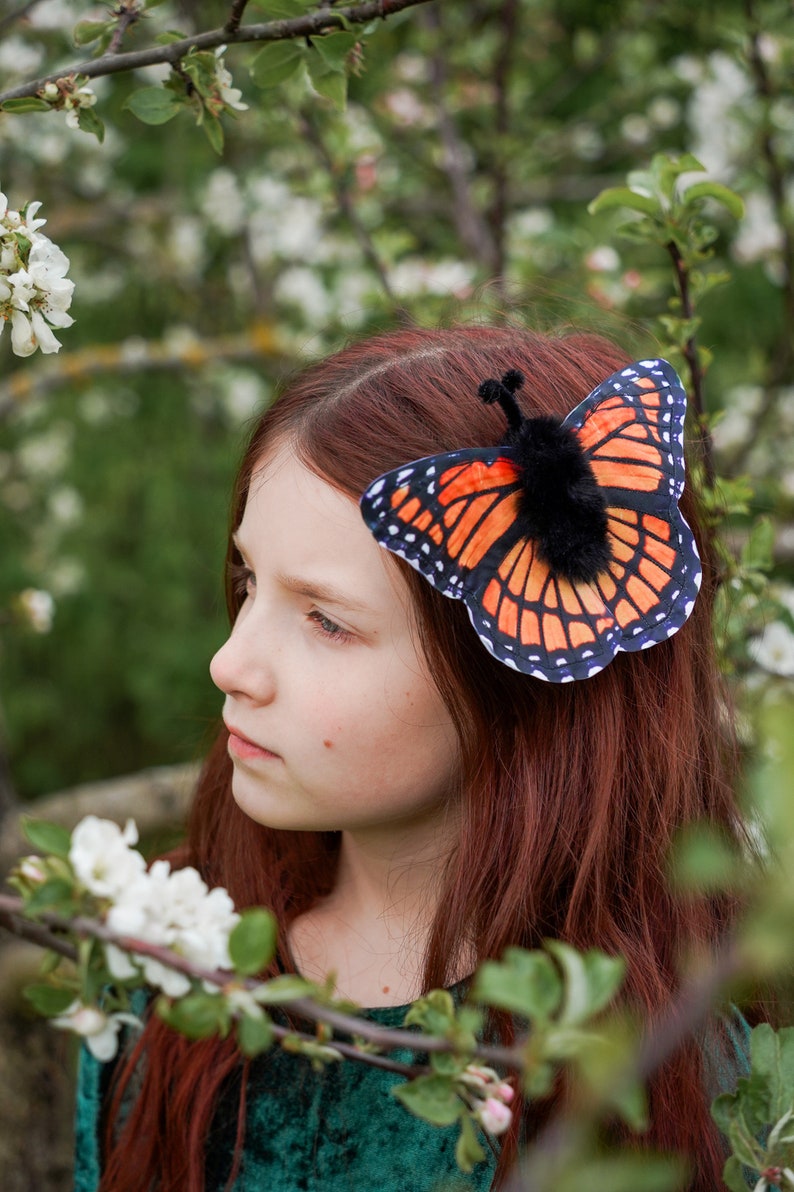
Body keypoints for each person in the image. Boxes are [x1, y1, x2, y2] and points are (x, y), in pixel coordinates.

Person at [74, 324, 749, 1192]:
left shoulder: (668, 1072)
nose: (230, 663)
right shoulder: (158, 957)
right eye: (247, 581)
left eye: (327, 620)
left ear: (520, 664)